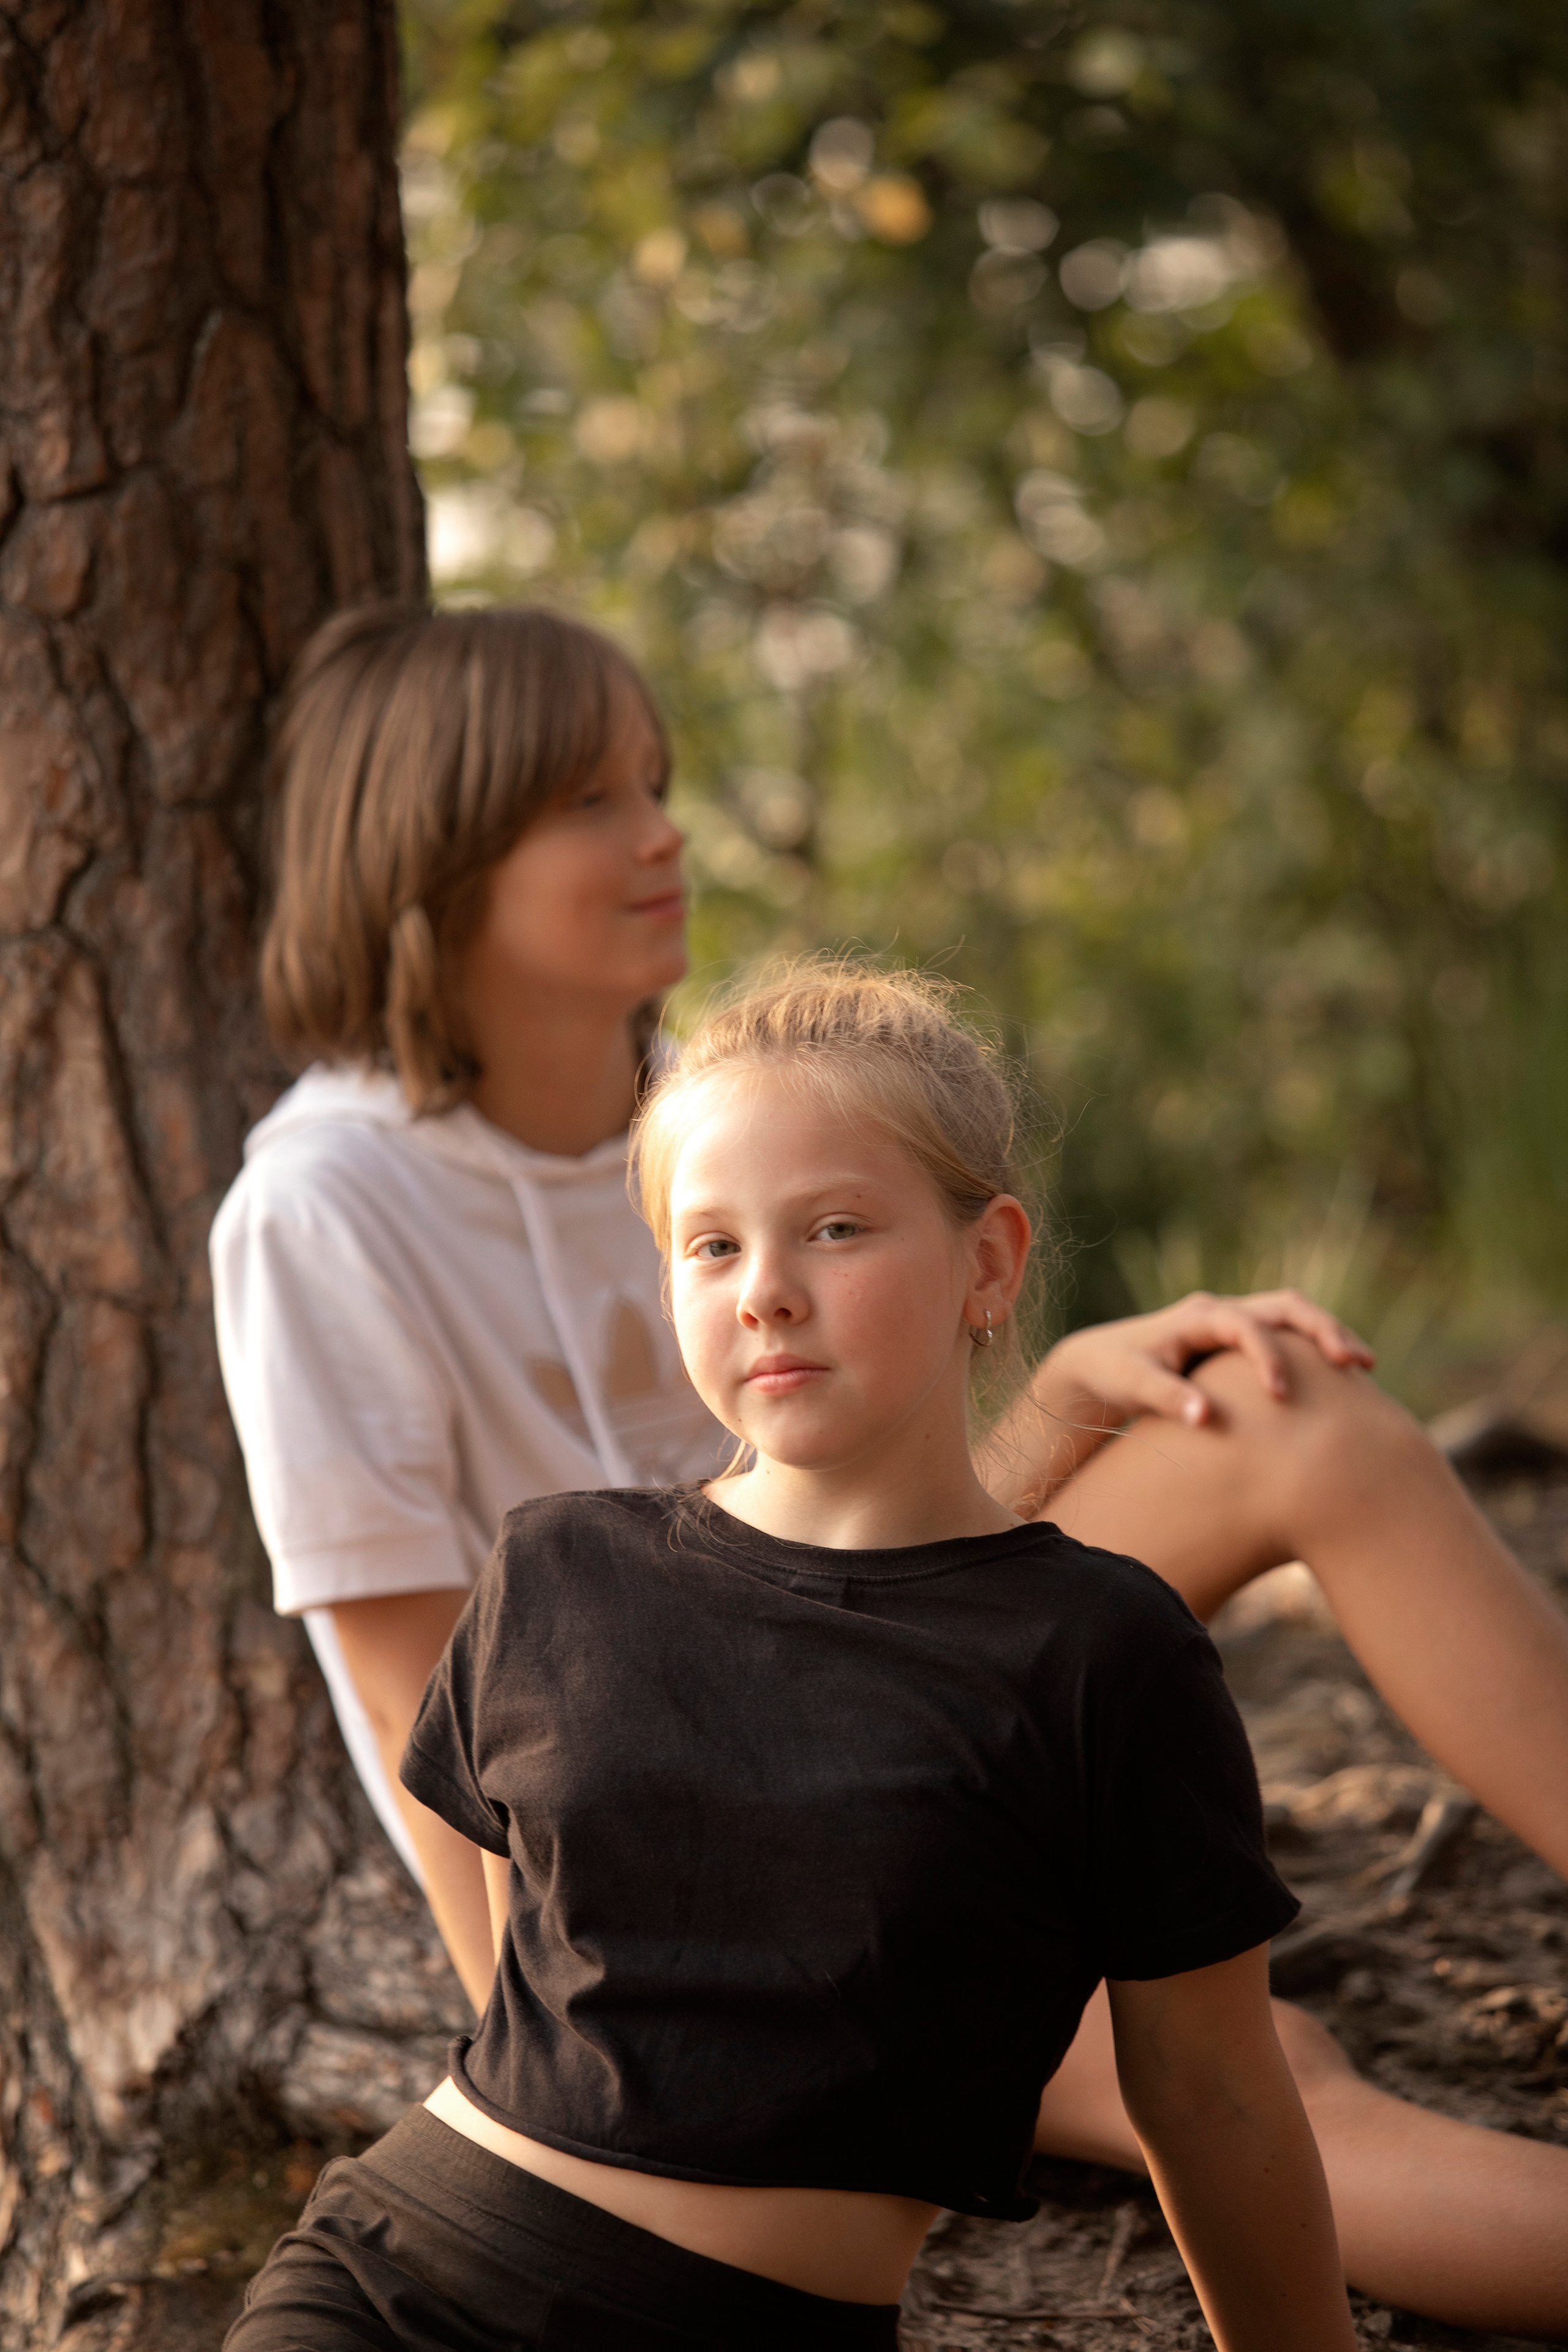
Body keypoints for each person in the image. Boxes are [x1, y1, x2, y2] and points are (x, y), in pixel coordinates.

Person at [213, 601, 1568, 2338]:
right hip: (661, 1872)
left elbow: (874, 1536)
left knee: (1276, 1404)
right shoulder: (324, 1205)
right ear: (432, 854)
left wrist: (1059, 1395)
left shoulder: (720, 1100)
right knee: (1271, 2083)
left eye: (657, 784)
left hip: (905, 1722)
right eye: (589, 801)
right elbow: (436, 1731)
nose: (661, 835)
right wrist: (637, 2065)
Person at [225, 960, 1357, 2351]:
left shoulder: (1098, 1653)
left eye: (832, 1229)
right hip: (392, 2283)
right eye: (711, 1246)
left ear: (988, 1262)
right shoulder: (555, 1570)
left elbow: (1212, 2097)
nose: (764, 1292)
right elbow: (527, 1980)